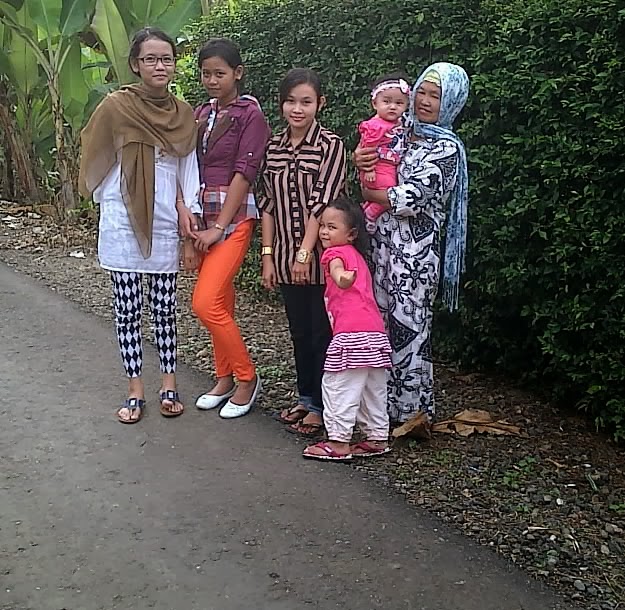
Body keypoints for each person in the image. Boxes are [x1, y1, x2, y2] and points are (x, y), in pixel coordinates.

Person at [78, 27, 200, 424]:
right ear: (136, 64)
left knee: (164, 309)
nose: (159, 66)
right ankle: (135, 390)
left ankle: (169, 385)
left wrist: (187, 208)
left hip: (164, 220)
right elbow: (95, 152)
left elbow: (187, 167)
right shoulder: (116, 107)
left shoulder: (183, 114)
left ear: (174, 64)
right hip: (122, 219)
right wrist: (115, 198)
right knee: (127, 311)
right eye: (150, 59)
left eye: (166, 59)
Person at [354, 62, 470, 425]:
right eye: (422, 91)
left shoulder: (447, 149)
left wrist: (372, 193)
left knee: (409, 331)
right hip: (380, 246)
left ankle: (409, 413)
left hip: (415, 258)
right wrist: (360, 159)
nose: (425, 101)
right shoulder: (400, 130)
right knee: (377, 324)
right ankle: (375, 410)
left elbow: (412, 197)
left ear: (451, 102)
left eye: (436, 95)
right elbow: (372, 160)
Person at [183, 38, 270, 419]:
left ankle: (247, 379)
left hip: (233, 218)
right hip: (201, 215)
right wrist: (190, 232)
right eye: (206, 74)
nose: (212, 80)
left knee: (204, 303)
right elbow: (187, 167)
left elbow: (244, 173)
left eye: (219, 73)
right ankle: (224, 377)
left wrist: (219, 226)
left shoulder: (250, 115)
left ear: (238, 73)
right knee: (221, 302)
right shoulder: (202, 112)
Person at [258, 68, 346, 437]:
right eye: (291, 101)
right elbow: (266, 204)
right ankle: (306, 398)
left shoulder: (331, 146)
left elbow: (321, 204)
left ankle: (325, 407)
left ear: (319, 104)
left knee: (322, 333)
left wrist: (305, 253)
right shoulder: (273, 147)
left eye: (306, 102)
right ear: (281, 105)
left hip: (322, 259)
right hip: (283, 256)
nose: (298, 109)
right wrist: (268, 256)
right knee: (298, 333)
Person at [302, 198, 392, 462]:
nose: (324, 232)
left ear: (351, 234)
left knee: (338, 384)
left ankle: (338, 442)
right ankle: (377, 437)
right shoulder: (359, 257)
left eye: (332, 227)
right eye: (322, 225)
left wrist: (342, 279)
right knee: (372, 387)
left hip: (351, 333)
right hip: (374, 333)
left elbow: (337, 271)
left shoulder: (334, 254)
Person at [357, 74, 409, 234]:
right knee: (389, 195)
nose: (392, 107)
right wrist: (369, 170)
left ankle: (365, 209)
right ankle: (370, 214)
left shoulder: (400, 123)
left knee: (384, 194)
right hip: (378, 168)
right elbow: (367, 148)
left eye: (399, 103)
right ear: (375, 103)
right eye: (386, 102)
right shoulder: (376, 125)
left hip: (388, 167)